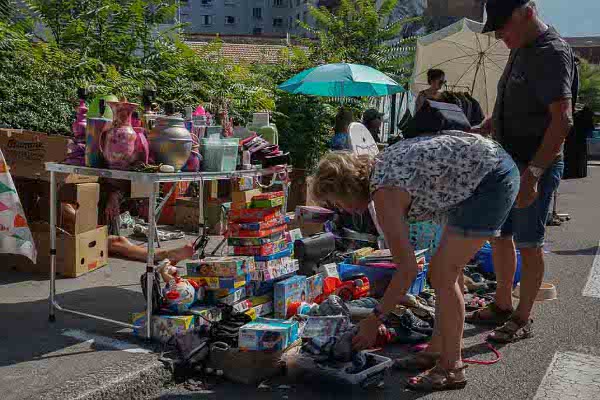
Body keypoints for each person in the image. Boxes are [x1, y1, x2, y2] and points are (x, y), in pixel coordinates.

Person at [310, 131, 519, 391]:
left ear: (346, 187)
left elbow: (407, 270)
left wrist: (375, 318)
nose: (342, 210)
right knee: (443, 273)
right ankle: (436, 350)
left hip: (490, 179)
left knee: (443, 274)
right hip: (484, 169)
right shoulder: (381, 170)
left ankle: (451, 368)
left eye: (337, 202)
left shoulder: (385, 193)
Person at [466, 0, 576, 343]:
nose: (499, 35)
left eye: (503, 26)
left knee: (529, 243)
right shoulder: (522, 46)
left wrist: (533, 174)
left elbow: (563, 121)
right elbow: (518, 102)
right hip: (507, 163)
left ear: (527, 12)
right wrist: (485, 126)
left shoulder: (551, 53)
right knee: (501, 236)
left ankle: (523, 316)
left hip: (533, 166)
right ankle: (501, 302)